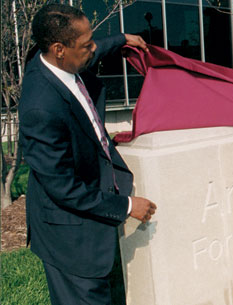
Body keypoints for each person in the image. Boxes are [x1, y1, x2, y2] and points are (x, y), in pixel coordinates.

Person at [18, 4, 157, 304]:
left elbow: (94, 48)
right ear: (59, 49)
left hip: (87, 205)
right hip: (69, 236)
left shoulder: (57, 59)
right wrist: (126, 206)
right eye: (86, 45)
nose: (93, 49)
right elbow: (64, 189)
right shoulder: (40, 108)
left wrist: (121, 39)